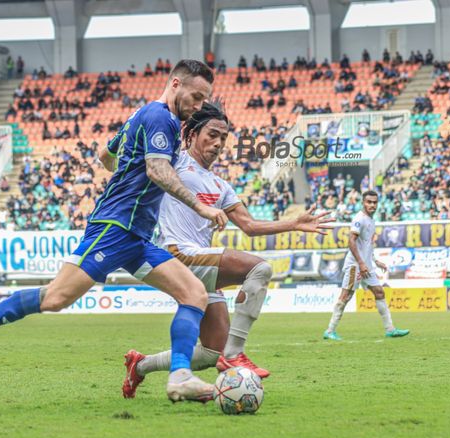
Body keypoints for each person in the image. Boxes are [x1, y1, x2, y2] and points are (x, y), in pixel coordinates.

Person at [0, 60, 228, 403]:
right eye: (196, 97)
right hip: (114, 227)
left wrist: (124, 173)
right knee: (55, 298)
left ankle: (180, 375)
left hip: (135, 235)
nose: (198, 106)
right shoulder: (159, 118)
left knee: (193, 293)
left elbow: (106, 155)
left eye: (203, 100)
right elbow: (156, 169)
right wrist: (200, 205)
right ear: (176, 84)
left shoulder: (142, 116)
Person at [122, 103, 333, 398]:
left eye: (223, 137)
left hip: (200, 262)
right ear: (192, 134)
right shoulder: (175, 161)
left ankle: (140, 366)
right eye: (212, 134)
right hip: (178, 254)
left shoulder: (221, 186)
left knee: (209, 352)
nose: (218, 143)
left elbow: (248, 225)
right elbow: (150, 163)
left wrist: (293, 224)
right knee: (260, 268)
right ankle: (235, 354)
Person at [323, 191, 410, 341]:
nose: (372, 205)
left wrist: (375, 260)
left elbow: (366, 245)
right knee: (345, 296)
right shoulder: (359, 219)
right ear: (363, 202)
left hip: (367, 265)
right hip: (355, 265)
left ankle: (390, 329)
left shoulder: (371, 220)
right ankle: (330, 331)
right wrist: (361, 263)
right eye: (369, 202)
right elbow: (351, 241)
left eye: (374, 202)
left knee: (379, 292)